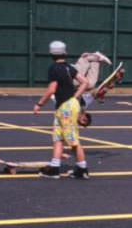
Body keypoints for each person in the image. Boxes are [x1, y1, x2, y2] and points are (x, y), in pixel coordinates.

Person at [33, 40, 90, 179]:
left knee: (72, 139)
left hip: (65, 107)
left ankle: (82, 169)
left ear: (51, 54)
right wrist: (76, 96)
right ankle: (55, 167)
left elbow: (52, 89)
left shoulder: (53, 68)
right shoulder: (69, 67)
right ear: (65, 53)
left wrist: (39, 104)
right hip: (66, 105)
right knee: (58, 137)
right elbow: (85, 82)